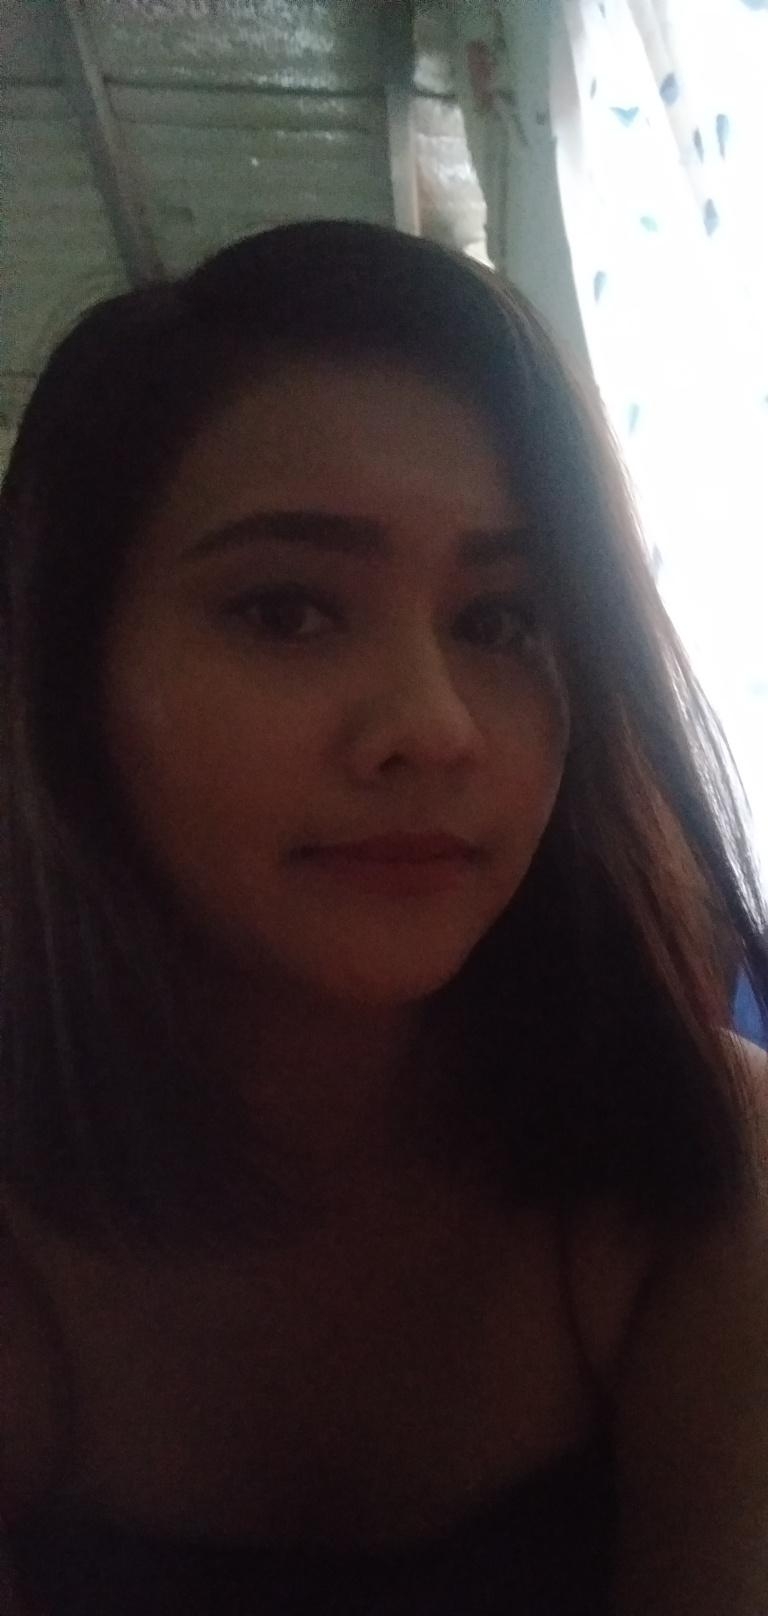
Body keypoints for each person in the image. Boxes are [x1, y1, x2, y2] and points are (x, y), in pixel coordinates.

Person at [0, 220, 766, 1616]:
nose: (434, 725)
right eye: (287, 611)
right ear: (66, 675)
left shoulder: (709, 1164)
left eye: (503, 622)